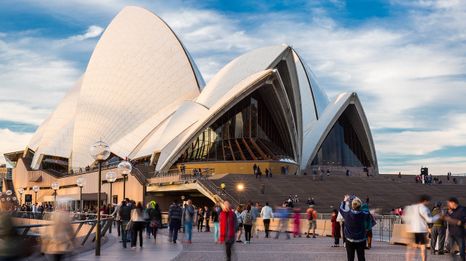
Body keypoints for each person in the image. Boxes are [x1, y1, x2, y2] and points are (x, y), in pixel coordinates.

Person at [403, 194, 440, 261]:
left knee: (411, 248)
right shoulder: (424, 208)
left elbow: (405, 218)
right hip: (420, 230)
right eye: (428, 201)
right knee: (423, 247)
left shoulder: (410, 207)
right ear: (425, 201)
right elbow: (429, 220)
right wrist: (438, 216)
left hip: (411, 229)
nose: (429, 203)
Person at [339, 195, 370, 261]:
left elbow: (341, 209)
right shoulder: (364, 214)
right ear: (360, 206)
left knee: (350, 258)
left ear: (352, 206)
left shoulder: (347, 214)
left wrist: (345, 200)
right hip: (361, 239)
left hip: (349, 239)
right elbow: (367, 210)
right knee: (361, 257)